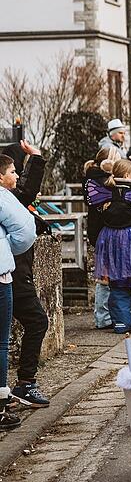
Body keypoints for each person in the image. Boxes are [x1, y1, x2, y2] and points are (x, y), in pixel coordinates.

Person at [1, 143, 52, 409]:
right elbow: (28, 191)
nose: (17, 175)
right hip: (13, 274)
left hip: (15, 273)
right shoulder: (7, 199)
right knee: (36, 321)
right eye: (12, 171)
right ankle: (24, 384)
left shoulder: (9, 199)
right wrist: (36, 157)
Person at [85, 159, 131, 334]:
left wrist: (96, 242)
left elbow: (95, 220)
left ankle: (121, 323)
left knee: (117, 284)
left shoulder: (105, 194)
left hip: (110, 244)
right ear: (127, 176)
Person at [84, 145, 121, 330]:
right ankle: (103, 316)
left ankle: (105, 315)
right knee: (105, 277)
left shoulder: (94, 178)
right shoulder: (100, 180)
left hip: (98, 232)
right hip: (102, 232)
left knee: (105, 275)